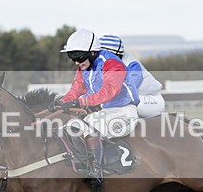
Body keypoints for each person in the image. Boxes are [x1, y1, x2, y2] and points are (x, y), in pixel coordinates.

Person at [53, 28, 139, 183]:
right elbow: (76, 89)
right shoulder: (84, 66)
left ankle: (96, 172)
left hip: (125, 111)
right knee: (70, 127)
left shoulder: (112, 63)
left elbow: (109, 91)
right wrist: (62, 102)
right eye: (72, 57)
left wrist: (82, 102)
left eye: (79, 57)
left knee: (90, 127)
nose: (76, 62)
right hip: (105, 112)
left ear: (92, 52)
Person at [99, 34, 165, 119]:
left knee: (121, 105)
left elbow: (125, 92)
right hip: (135, 99)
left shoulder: (132, 65)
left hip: (152, 102)